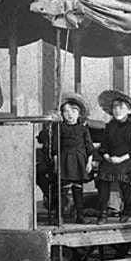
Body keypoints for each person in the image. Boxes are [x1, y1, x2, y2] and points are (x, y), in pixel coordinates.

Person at [37, 92, 94, 224]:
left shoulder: (83, 129)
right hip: (65, 161)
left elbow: (89, 147)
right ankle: (58, 217)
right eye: (66, 111)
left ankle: (80, 216)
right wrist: (57, 164)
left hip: (79, 161)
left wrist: (89, 163)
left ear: (79, 114)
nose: (70, 114)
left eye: (73, 111)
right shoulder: (59, 128)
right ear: (62, 114)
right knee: (63, 190)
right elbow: (55, 147)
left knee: (78, 190)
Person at [94, 90, 131, 223]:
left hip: (128, 159)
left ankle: (127, 208)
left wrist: (121, 158)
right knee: (103, 175)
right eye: (115, 107)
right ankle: (103, 211)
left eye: (121, 107)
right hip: (111, 159)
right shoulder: (110, 126)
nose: (117, 110)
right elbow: (104, 145)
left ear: (129, 111)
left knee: (122, 175)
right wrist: (107, 156)